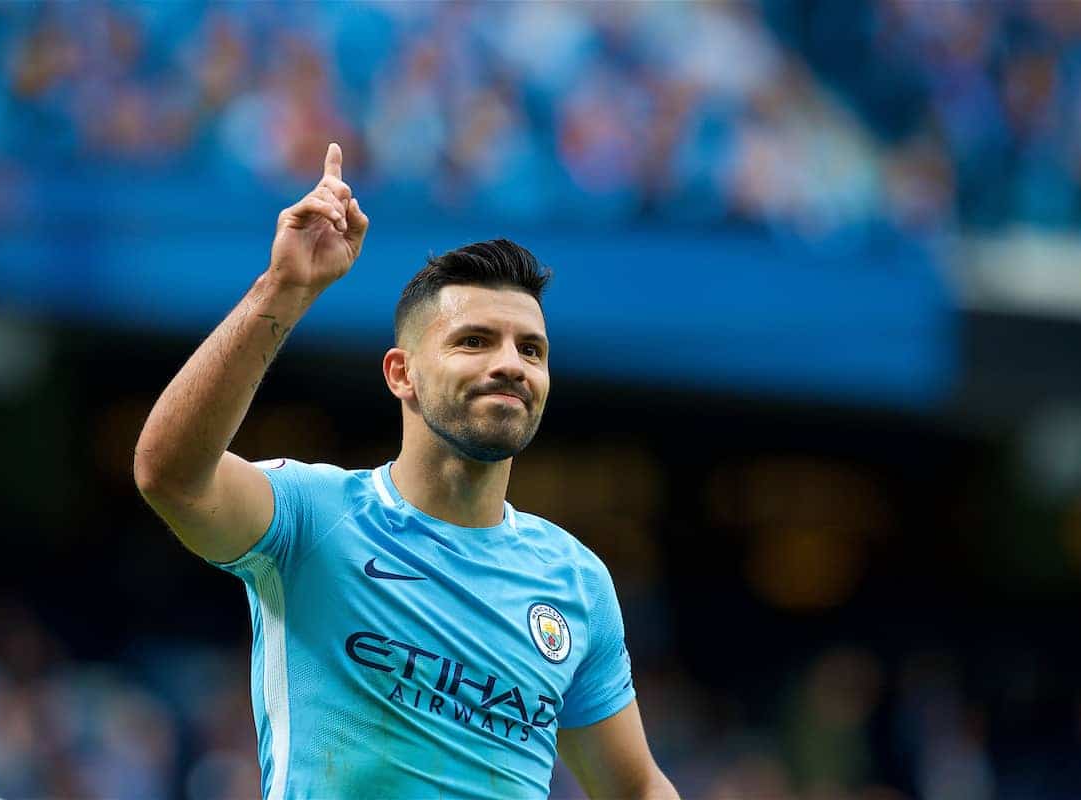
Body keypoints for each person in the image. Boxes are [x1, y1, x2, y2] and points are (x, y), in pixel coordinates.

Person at [134, 143, 679, 799]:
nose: (511, 364)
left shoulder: (576, 581)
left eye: (531, 349)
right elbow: (169, 475)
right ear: (402, 374)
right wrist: (284, 288)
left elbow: (638, 787)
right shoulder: (314, 516)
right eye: (474, 340)